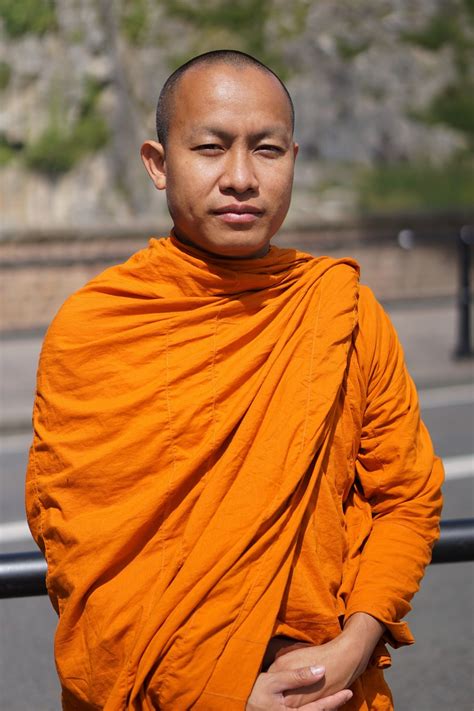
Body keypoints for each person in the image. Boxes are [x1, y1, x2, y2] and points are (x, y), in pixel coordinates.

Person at [25, 50, 443, 710]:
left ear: (294, 161)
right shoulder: (97, 327)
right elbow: (80, 558)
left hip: (332, 688)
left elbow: (407, 497)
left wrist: (350, 647)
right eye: (212, 148)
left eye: (267, 150)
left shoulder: (342, 310)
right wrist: (219, 694)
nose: (242, 177)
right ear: (159, 164)